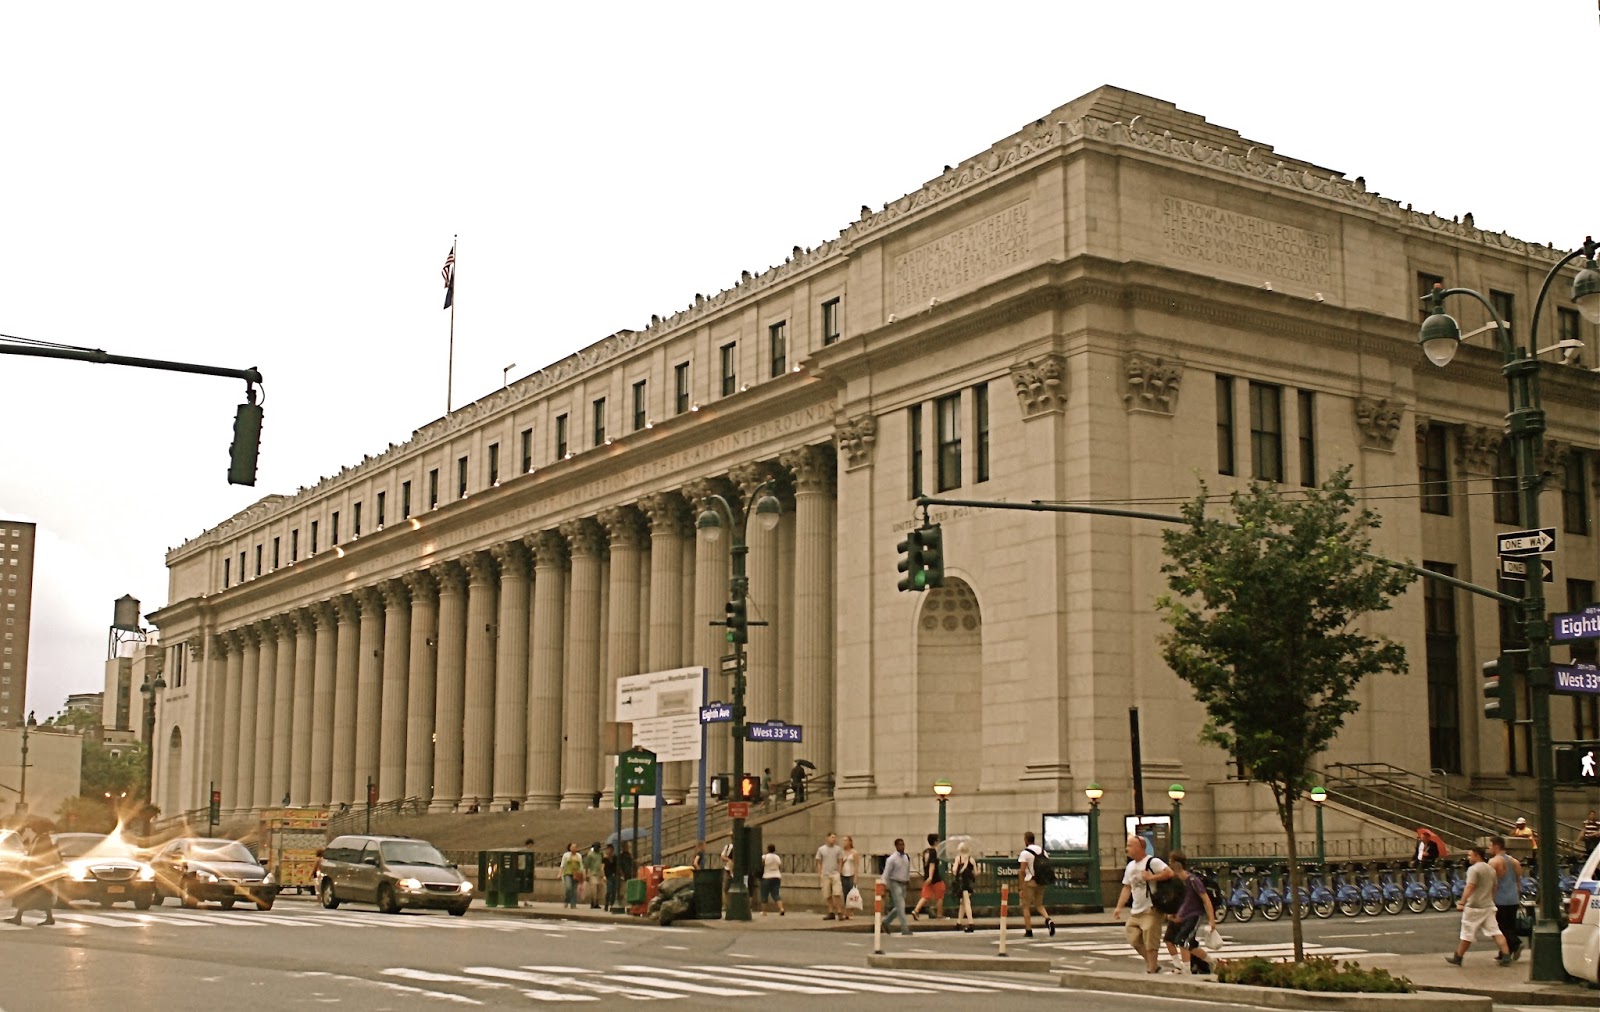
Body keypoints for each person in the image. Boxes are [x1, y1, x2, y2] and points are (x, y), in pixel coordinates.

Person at [1113, 834, 1172, 973]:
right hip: (1136, 909)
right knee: (1133, 938)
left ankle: (1152, 969)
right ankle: (1153, 964)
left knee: (1151, 941)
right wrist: (1119, 907)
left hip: (1151, 908)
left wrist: (1152, 877)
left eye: (1130, 846)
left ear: (1140, 847)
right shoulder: (1130, 866)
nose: (1127, 849)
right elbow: (1127, 887)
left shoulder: (1153, 862)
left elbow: (1169, 873)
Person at [1445, 846, 1514, 967]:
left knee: (1467, 933)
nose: (1468, 857)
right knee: (1495, 931)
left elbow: (1470, 886)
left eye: (1470, 855)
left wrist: (1462, 902)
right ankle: (1506, 955)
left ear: (1477, 855)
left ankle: (1458, 957)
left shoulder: (1473, 869)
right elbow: (1494, 887)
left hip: (1474, 906)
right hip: (1488, 905)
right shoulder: (1490, 869)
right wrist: (1490, 898)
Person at [1162, 851, 1217, 975]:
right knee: (1170, 940)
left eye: (1171, 862)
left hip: (1193, 915)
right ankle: (1210, 962)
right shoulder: (1174, 881)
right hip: (1178, 915)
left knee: (1183, 941)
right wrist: (1170, 913)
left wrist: (1211, 920)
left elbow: (1205, 899)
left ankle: (1186, 969)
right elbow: (1173, 899)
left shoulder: (1193, 880)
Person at [7, 833, 59, 927]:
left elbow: (35, 861)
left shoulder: (41, 844)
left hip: (38, 876)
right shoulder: (49, 847)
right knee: (43, 897)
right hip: (45, 877)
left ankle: (18, 918)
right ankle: (49, 918)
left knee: (25, 896)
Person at [1487, 836, 1524, 961]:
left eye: (1490, 845)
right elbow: (1518, 880)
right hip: (1513, 898)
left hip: (1500, 898)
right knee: (1510, 926)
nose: (1489, 848)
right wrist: (1518, 895)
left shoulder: (1493, 862)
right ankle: (1504, 952)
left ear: (1496, 846)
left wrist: (1489, 897)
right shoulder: (1514, 861)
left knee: (1500, 927)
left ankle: (1515, 943)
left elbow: (1492, 882)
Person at [1017, 830, 1055, 938]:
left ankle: (1029, 930)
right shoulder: (1043, 851)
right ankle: (1048, 919)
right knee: (1039, 905)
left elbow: (1022, 871)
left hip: (1030, 881)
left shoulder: (1025, 853)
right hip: (1041, 881)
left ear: (1026, 840)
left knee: (1026, 906)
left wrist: (1021, 887)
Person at [882, 838, 913, 936]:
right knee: (901, 905)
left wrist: (908, 880)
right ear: (896, 846)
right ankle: (905, 929)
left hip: (903, 883)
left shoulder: (906, 857)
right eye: (899, 845)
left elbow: (906, 870)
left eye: (903, 844)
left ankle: (886, 922)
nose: (902, 847)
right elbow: (886, 873)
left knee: (899, 907)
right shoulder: (892, 859)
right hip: (894, 882)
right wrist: (883, 885)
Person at [912, 833, 944, 920]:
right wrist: (931, 876)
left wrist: (928, 877)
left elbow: (928, 864)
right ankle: (939, 915)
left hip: (926, 878)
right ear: (935, 842)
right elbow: (932, 864)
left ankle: (916, 910)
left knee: (925, 896)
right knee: (940, 895)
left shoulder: (926, 851)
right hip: (935, 878)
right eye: (938, 840)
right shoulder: (933, 852)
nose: (939, 841)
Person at [815, 832, 844, 920]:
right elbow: (819, 861)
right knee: (827, 894)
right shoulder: (821, 849)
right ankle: (831, 912)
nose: (833, 839)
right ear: (827, 838)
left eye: (834, 837)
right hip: (825, 874)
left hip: (835, 874)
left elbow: (840, 861)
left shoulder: (838, 849)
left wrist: (839, 871)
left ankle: (839, 912)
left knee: (837, 893)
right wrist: (820, 873)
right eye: (832, 837)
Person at [951, 840, 977, 933]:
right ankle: (958, 923)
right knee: (963, 903)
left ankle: (971, 923)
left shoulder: (958, 858)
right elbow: (976, 872)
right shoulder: (971, 859)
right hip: (969, 884)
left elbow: (954, 870)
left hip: (962, 884)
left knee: (966, 904)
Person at [759, 843, 784, 916]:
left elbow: (761, 865)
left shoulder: (764, 857)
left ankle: (764, 911)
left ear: (768, 849)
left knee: (764, 894)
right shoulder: (777, 857)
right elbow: (779, 866)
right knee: (776, 894)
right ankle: (781, 909)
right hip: (777, 876)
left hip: (766, 877)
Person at [839, 835, 860, 921]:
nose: (844, 842)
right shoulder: (842, 853)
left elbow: (856, 866)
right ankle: (846, 912)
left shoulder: (854, 852)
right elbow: (839, 864)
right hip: (844, 875)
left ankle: (851, 912)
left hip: (851, 874)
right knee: (845, 894)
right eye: (843, 841)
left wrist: (856, 877)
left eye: (846, 841)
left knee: (851, 894)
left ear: (850, 842)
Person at [559, 843, 582, 909]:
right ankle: (566, 900)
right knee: (568, 888)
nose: (574, 848)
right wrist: (560, 873)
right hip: (567, 873)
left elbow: (581, 865)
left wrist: (582, 873)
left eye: (575, 847)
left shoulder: (579, 855)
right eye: (573, 847)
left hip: (576, 874)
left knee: (574, 890)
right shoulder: (566, 855)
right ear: (570, 848)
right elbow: (562, 864)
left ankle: (573, 904)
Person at [582, 843, 604, 909]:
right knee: (593, 889)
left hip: (599, 874)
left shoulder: (600, 854)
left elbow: (602, 863)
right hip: (592, 873)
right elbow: (587, 865)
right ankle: (593, 902)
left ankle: (596, 903)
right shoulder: (590, 855)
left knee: (599, 889)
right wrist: (586, 874)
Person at [602, 843, 619, 912]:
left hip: (615, 875)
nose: (610, 851)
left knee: (614, 891)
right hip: (608, 876)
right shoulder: (604, 859)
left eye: (611, 850)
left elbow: (617, 867)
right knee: (609, 890)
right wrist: (603, 876)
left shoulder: (615, 858)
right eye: (609, 850)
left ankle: (612, 904)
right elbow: (602, 867)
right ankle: (606, 904)